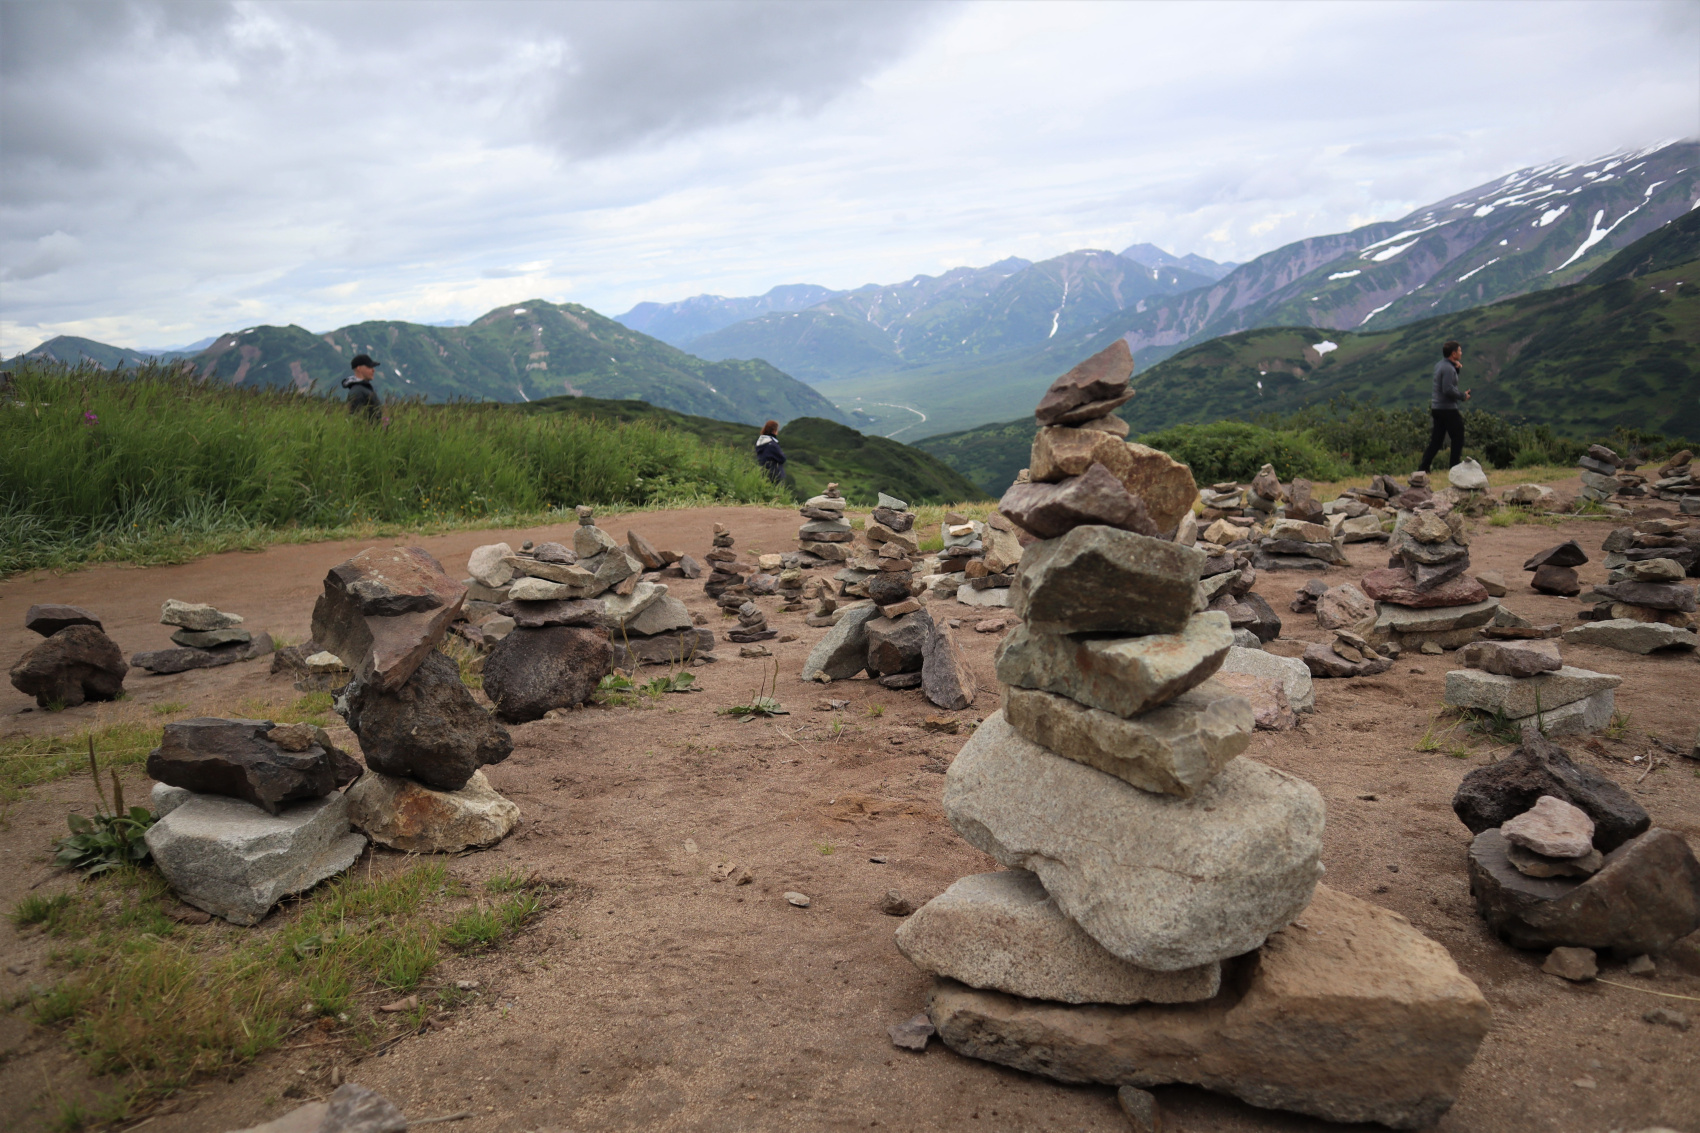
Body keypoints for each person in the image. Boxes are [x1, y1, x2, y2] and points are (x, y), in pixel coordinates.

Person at [1418, 340, 1471, 473]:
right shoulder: (1447, 368)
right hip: (1447, 409)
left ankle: (1424, 467)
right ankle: (1455, 468)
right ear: (1453, 354)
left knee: (1437, 440)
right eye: (1459, 351)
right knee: (1458, 436)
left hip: (1437, 408)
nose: (1461, 353)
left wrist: (1456, 369)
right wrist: (1462, 396)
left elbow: (1448, 382)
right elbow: (1447, 389)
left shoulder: (1441, 365)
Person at [341, 354, 381, 422]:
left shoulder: (363, 389)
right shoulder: (357, 391)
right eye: (369, 366)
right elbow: (355, 418)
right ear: (359, 368)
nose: (373, 370)